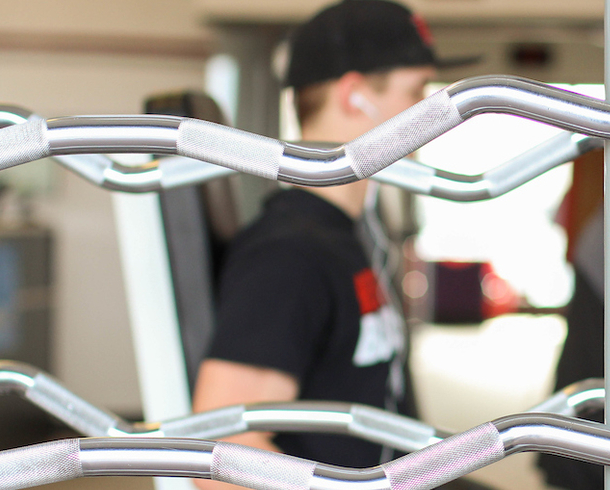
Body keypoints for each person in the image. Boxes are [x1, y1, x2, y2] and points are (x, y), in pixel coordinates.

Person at [190, 0, 448, 482]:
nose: (432, 115)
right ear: (354, 96)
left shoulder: (343, 236)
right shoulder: (289, 255)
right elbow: (219, 458)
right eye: (416, 92)